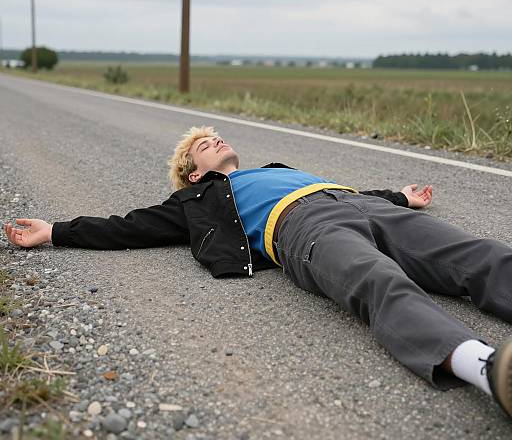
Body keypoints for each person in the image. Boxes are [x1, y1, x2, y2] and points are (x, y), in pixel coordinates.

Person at [3, 125, 512, 419]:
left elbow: (353, 190)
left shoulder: (273, 171)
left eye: (214, 134)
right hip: (300, 228)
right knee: (377, 281)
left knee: (479, 255)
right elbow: (128, 226)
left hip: (355, 204)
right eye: (203, 143)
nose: (215, 137)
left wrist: (402, 197)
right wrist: (55, 231)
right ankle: (487, 369)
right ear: (194, 172)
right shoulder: (197, 198)